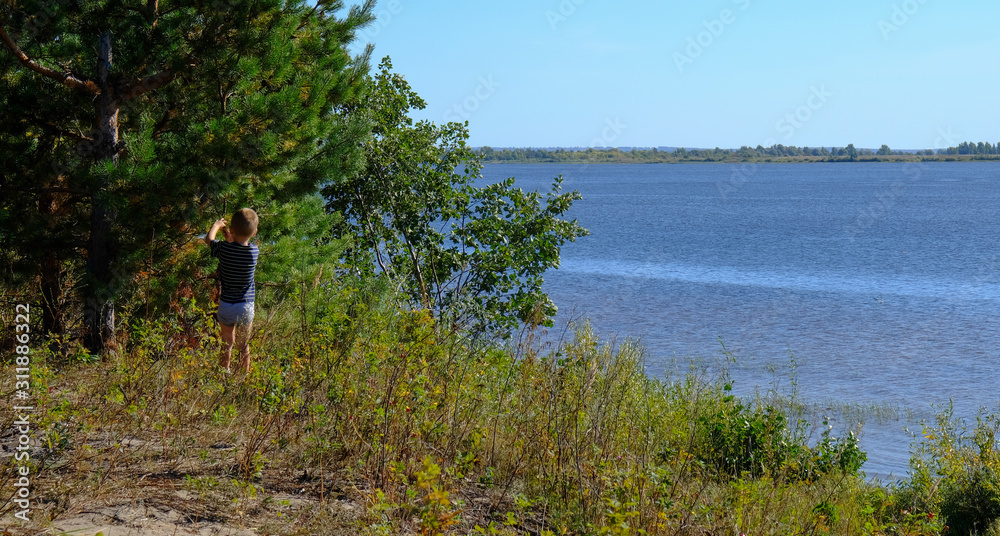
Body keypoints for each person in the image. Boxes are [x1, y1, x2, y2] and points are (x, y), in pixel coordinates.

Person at [204, 208, 259, 373]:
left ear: (232, 230)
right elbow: (240, 246)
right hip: (246, 306)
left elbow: (209, 240)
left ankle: (224, 373)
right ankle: (243, 375)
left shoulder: (224, 250)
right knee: (244, 344)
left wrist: (216, 225)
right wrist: (233, 239)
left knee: (227, 343)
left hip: (227, 305)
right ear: (254, 233)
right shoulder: (254, 252)